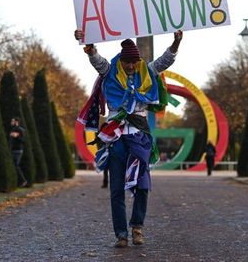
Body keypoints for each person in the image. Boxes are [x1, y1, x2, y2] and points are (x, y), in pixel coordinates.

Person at [75, 29, 182, 248]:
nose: (131, 66)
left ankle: (137, 227)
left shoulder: (148, 71)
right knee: (116, 189)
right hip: (116, 138)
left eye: (134, 62)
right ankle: (121, 234)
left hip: (139, 137)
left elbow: (164, 61)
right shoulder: (110, 71)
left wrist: (176, 42)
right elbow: (96, 60)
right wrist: (88, 43)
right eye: (127, 62)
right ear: (121, 60)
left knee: (142, 185)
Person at [9, 117, 27, 187]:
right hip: (13, 150)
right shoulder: (13, 129)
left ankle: (23, 180)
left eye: (12, 121)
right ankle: (17, 181)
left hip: (18, 150)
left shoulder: (20, 130)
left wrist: (17, 136)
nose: (11, 122)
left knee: (15, 165)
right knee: (14, 165)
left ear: (16, 122)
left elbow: (23, 141)